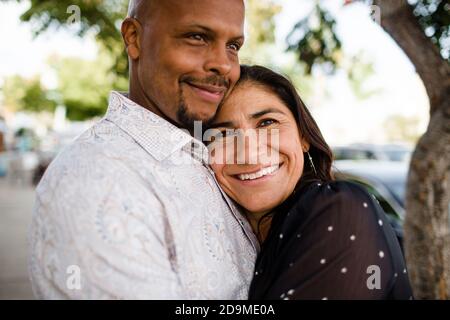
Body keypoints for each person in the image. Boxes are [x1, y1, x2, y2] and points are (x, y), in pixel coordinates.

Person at [28, 0, 259, 299]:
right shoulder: (96, 183)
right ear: (134, 38)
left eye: (233, 46)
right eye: (197, 37)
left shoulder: (211, 153)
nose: (224, 65)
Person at [208, 65, 414, 300]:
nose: (249, 153)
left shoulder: (340, 209)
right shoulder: (231, 240)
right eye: (222, 135)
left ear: (303, 137)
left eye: (267, 123)